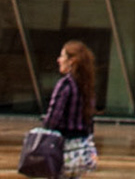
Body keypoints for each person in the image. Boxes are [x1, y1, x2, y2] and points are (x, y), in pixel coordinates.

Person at [41, 41, 98, 176]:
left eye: (62, 56)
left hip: (62, 146)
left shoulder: (65, 85)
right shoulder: (87, 87)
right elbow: (89, 121)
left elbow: (53, 118)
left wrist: (42, 133)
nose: (58, 60)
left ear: (72, 61)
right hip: (79, 148)